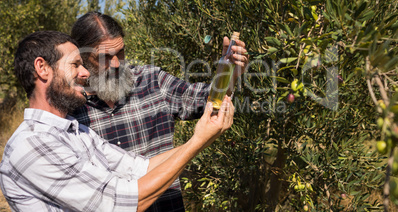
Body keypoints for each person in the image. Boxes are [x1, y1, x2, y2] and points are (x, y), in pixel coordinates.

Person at [0, 31, 234, 212]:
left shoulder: (77, 132)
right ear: (42, 68)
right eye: (75, 65)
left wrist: (201, 137)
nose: (85, 73)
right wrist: (198, 142)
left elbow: (140, 168)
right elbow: (122, 203)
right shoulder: (32, 145)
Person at [70, 12, 248, 211]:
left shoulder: (151, 81)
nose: (117, 64)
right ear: (82, 58)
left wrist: (230, 74)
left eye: (120, 52)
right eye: (104, 57)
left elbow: (205, 100)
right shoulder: (71, 110)